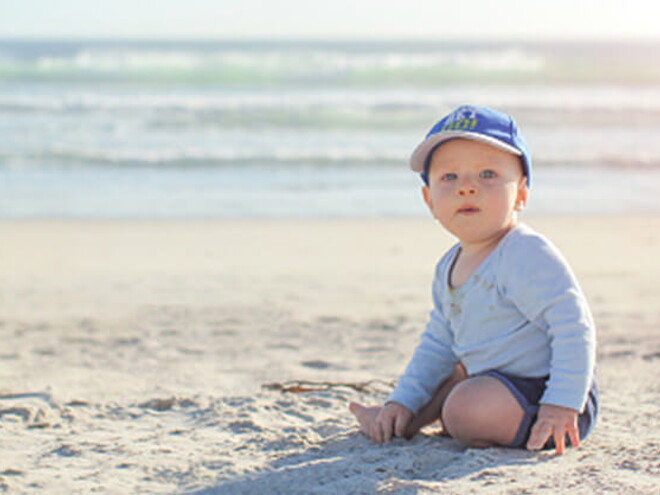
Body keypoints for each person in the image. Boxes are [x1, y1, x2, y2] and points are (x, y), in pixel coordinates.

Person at [349, 105, 599, 455]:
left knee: (463, 406)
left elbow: (573, 327)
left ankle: (468, 416)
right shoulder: (447, 266)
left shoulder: (525, 252)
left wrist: (562, 403)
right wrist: (402, 400)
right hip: (490, 383)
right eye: (449, 178)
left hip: (546, 392)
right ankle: (393, 421)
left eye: (487, 174)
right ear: (429, 200)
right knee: (450, 379)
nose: (466, 188)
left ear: (522, 193)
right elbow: (437, 344)